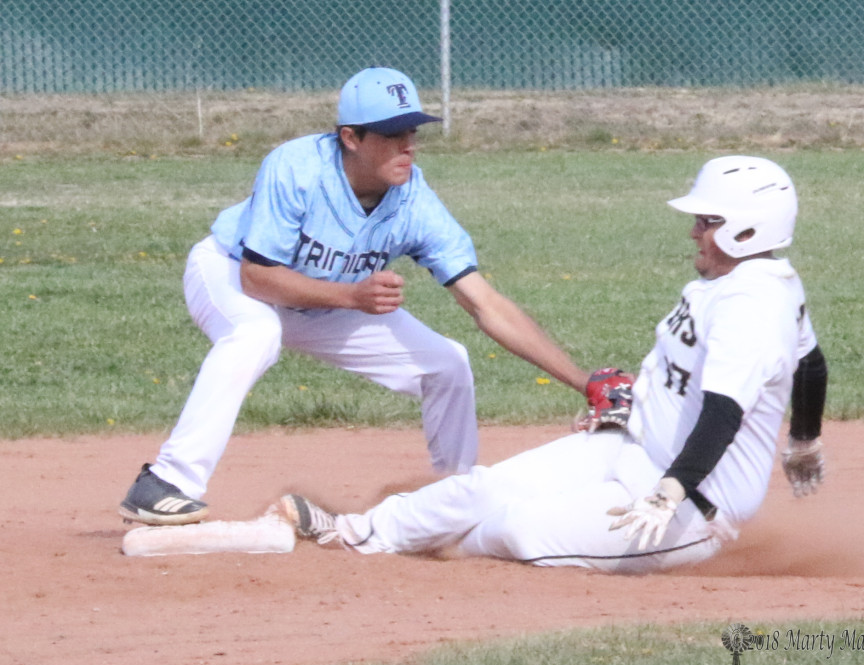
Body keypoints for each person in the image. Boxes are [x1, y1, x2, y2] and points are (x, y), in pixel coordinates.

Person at [279, 155, 829, 574]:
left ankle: (434, 554)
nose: (693, 231)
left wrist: (670, 490)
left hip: (692, 505)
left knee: (517, 532)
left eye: (707, 220)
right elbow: (811, 362)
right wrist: (804, 441)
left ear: (747, 230)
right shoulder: (747, 282)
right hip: (630, 447)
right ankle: (352, 532)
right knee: (483, 489)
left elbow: (723, 413)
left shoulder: (753, 306)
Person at [119, 66, 609, 526]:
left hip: (328, 301)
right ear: (349, 138)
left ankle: (456, 497)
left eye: (413, 131)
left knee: (448, 363)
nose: (408, 145)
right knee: (256, 333)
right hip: (230, 275)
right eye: (393, 133)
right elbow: (257, 278)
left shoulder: (415, 203)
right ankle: (165, 481)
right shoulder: (296, 167)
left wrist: (585, 382)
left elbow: (485, 303)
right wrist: (352, 296)